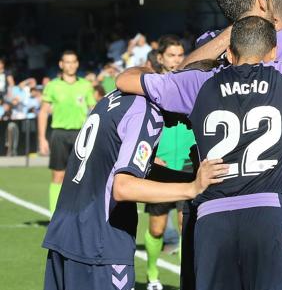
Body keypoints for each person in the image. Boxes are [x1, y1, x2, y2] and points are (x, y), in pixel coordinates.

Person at [115, 15, 282, 290]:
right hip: (268, 214)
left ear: (228, 53)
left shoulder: (196, 83)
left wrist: (140, 68)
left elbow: (124, 81)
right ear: (273, 52)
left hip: (213, 215)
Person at [42, 89, 228, 290]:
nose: (188, 123)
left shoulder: (119, 97)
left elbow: (119, 167)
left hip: (65, 236)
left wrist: (188, 178)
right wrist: (192, 187)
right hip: (100, 245)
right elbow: (123, 187)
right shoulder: (148, 113)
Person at [142, 36, 194, 290]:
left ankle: (186, 280)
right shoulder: (150, 87)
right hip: (160, 170)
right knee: (156, 229)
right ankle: (152, 276)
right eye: (171, 55)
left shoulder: (191, 84)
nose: (176, 60)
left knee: (188, 227)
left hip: (188, 166)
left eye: (180, 54)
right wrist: (151, 153)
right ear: (159, 57)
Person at [38, 50, 96, 215]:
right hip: (59, 134)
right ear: (61, 64)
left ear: (77, 64)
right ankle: (54, 216)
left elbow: (94, 109)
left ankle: (80, 213)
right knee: (58, 176)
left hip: (81, 135)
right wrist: (42, 138)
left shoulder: (85, 85)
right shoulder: (53, 85)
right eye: (67, 62)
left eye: (73, 62)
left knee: (82, 177)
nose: (70, 65)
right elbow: (43, 112)